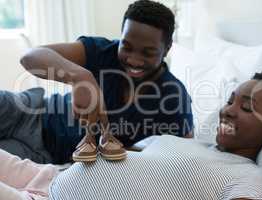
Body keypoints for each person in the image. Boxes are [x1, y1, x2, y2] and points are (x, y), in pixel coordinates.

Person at [1, 71, 262, 200]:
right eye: (230, 100)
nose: (228, 111)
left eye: (246, 107)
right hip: (50, 175)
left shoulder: (249, 176)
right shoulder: (192, 145)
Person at [1, 0, 193, 164]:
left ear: (167, 49)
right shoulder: (104, 51)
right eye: (126, 46)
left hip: (44, 154)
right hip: (29, 110)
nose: (133, 59)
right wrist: (80, 77)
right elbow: (30, 57)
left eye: (148, 53)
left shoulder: (173, 96)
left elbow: (183, 156)